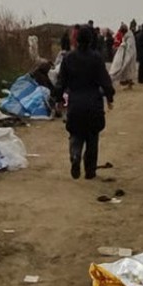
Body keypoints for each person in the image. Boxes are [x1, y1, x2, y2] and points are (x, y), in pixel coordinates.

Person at [54, 26, 115, 179]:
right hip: (93, 102)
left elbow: (61, 82)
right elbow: (105, 80)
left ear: (76, 39)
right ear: (91, 40)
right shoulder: (96, 58)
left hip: (75, 103)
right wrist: (109, 97)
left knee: (75, 133)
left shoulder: (68, 58)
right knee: (92, 137)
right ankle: (90, 171)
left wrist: (59, 99)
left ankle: (75, 155)